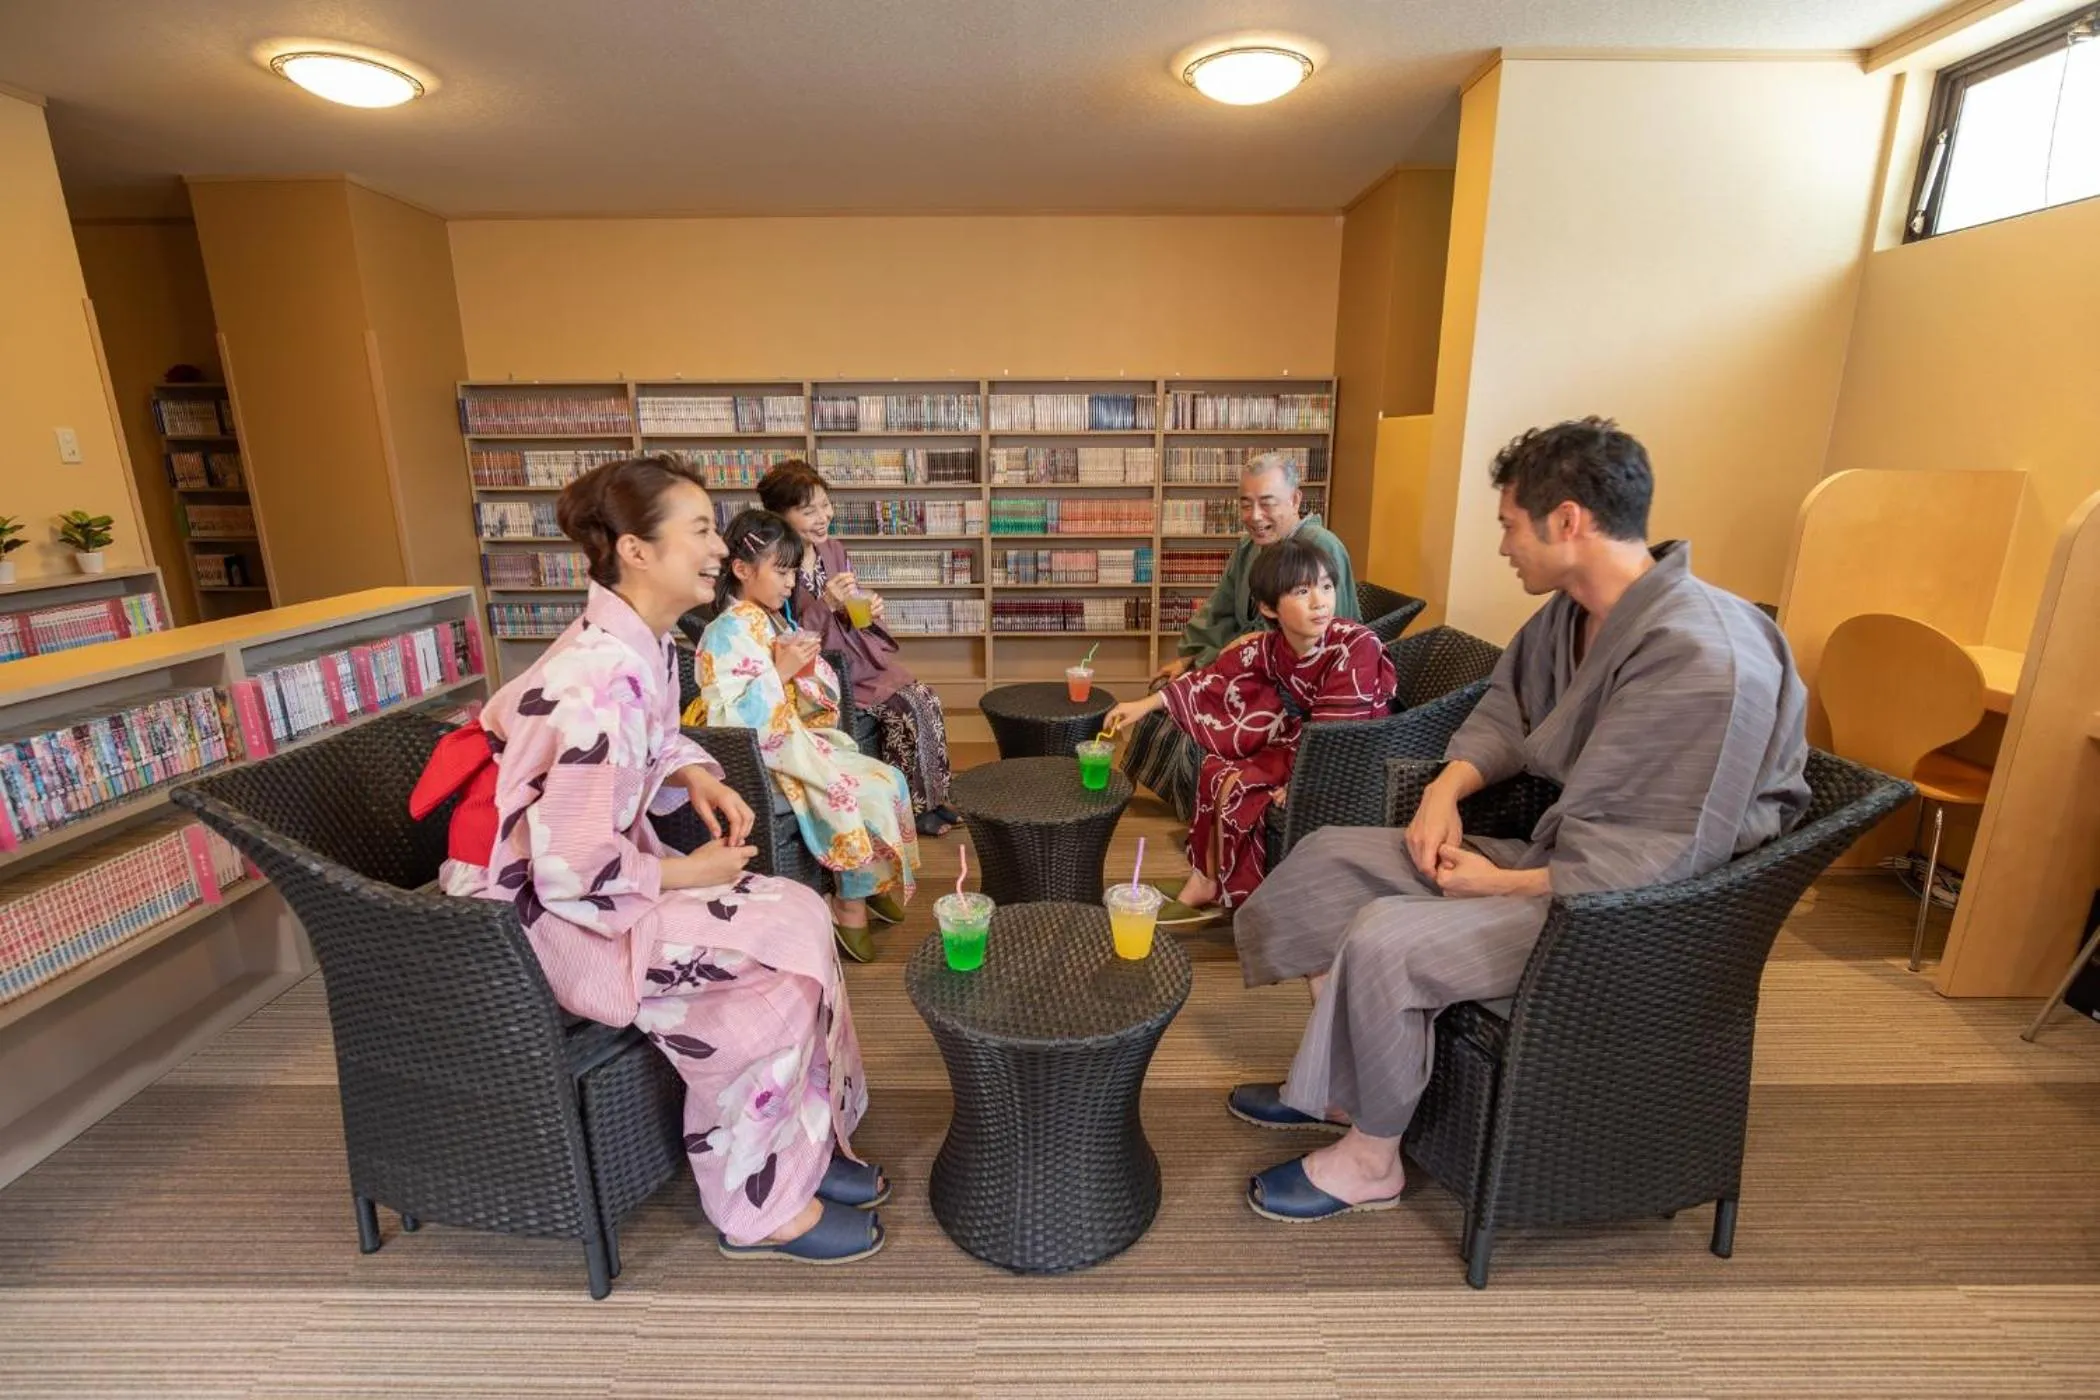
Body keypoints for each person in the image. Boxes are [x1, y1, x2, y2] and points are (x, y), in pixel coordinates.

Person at [1228, 417, 1810, 1223]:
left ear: (1566, 522)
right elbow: (1506, 712)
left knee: (1386, 938)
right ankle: (1341, 1086)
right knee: (1325, 864)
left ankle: (1370, 1162)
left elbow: (1668, 852)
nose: (1504, 546)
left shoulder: (1703, 659)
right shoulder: (1570, 615)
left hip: (1620, 914)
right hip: (1559, 860)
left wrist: (1505, 882)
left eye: (1509, 525)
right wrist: (1446, 792)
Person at [410, 455, 885, 1264]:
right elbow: (569, 872)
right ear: (636, 550)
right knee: (774, 965)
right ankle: (756, 1205)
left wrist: (693, 769)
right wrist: (688, 874)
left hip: (586, 879)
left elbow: (656, 737)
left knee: (800, 913)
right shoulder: (600, 680)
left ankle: (793, 1155)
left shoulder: (636, 643)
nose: (716, 547)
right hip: (538, 916)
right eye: (700, 529)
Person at [1101, 538, 1395, 923]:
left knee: (1238, 785)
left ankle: (1240, 896)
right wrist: (1143, 706)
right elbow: (1215, 678)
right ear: (1269, 608)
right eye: (1303, 591)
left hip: (1348, 756)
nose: (1320, 602)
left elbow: (1341, 729)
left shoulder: (1355, 646)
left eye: (1326, 587)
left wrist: (1303, 780)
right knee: (1213, 769)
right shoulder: (1273, 646)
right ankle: (1205, 878)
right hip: (1305, 740)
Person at [691, 508, 921, 965]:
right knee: (847, 791)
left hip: (793, 739)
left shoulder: (772, 620)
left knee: (888, 779)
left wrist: (806, 670)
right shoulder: (725, 631)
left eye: (793, 572)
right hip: (759, 757)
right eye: (780, 571)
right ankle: (847, 903)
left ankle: (868, 880)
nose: (790, 583)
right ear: (741, 570)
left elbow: (817, 691)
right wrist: (782, 671)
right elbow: (727, 714)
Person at [1121, 452, 1359, 821]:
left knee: (1191, 719)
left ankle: (1210, 812)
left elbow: (1329, 640)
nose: (1255, 516)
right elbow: (1219, 610)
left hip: (1293, 689)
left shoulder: (1319, 548)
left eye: (1267, 503)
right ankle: (1198, 807)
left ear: (1296, 500)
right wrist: (1191, 659)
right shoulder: (1250, 548)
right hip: (1248, 669)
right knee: (1163, 695)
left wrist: (1213, 667)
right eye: (1245, 504)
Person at [757, 460, 963, 838]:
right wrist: (827, 607)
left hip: (853, 653)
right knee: (903, 708)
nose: (823, 518)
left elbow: (854, 608)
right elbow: (783, 634)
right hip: (821, 669)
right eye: (808, 511)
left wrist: (868, 611)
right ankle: (913, 810)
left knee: (926, 699)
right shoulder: (776, 563)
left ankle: (934, 797)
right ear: (779, 515)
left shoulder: (832, 549)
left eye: (825, 505)